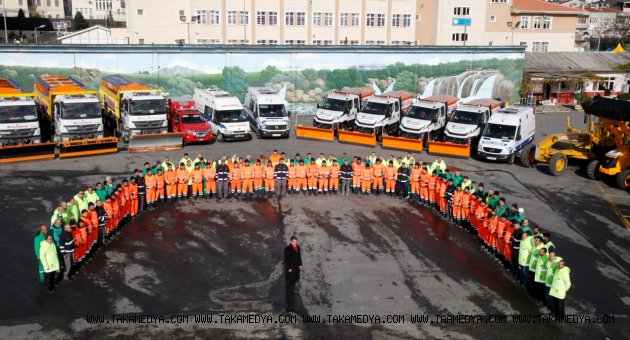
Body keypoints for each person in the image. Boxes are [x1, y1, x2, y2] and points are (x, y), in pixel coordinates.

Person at [284, 235, 303, 313]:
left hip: (296, 267)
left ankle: (292, 289)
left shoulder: (297, 247)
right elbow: (286, 260)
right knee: (290, 280)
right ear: (291, 241)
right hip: (291, 268)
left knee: (295, 279)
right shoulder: (287, 249)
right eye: (293, 241)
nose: (295, 242)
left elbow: (299, 256)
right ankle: (289, 293)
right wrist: (289, 268)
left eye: (296, 241)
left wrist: (300, 264)